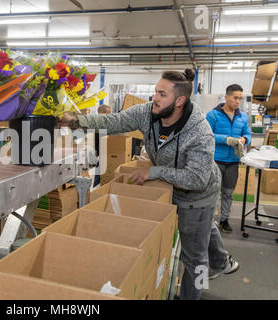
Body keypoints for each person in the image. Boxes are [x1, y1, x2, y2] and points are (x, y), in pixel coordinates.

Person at [58, 69, 239, 300]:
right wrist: (77, 121)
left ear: (180, 101)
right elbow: (114, 121)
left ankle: (197, 290)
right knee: (203, 229)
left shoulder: (199, 132)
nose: (155, 97)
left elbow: (197, 179)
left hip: (198, 196)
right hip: (171, 185)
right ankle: (221, 259)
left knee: (195, 258)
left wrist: (154, 171)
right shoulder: (147, 112)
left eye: (162, 94)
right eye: (155, 91)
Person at [206, 85, 252, 233]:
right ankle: (209, 220)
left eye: (240, 98)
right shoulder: (213, 115)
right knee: (213, 192)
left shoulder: (242, 117)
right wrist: (226, 139)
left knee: (228, 193)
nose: (238, 101)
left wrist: (244, 139)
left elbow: (248, 135)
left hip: (233, 162)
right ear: (226, 97)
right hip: (216, 160)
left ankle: (224, 220)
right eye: (235, 98)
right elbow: (207, 135)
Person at [93, 104, 112, 187]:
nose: (109, 115)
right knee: (98, 174)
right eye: (108, 113)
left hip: (100, 152)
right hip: (100, 153)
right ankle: (93, 189)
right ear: (103, 112)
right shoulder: (99, 123)